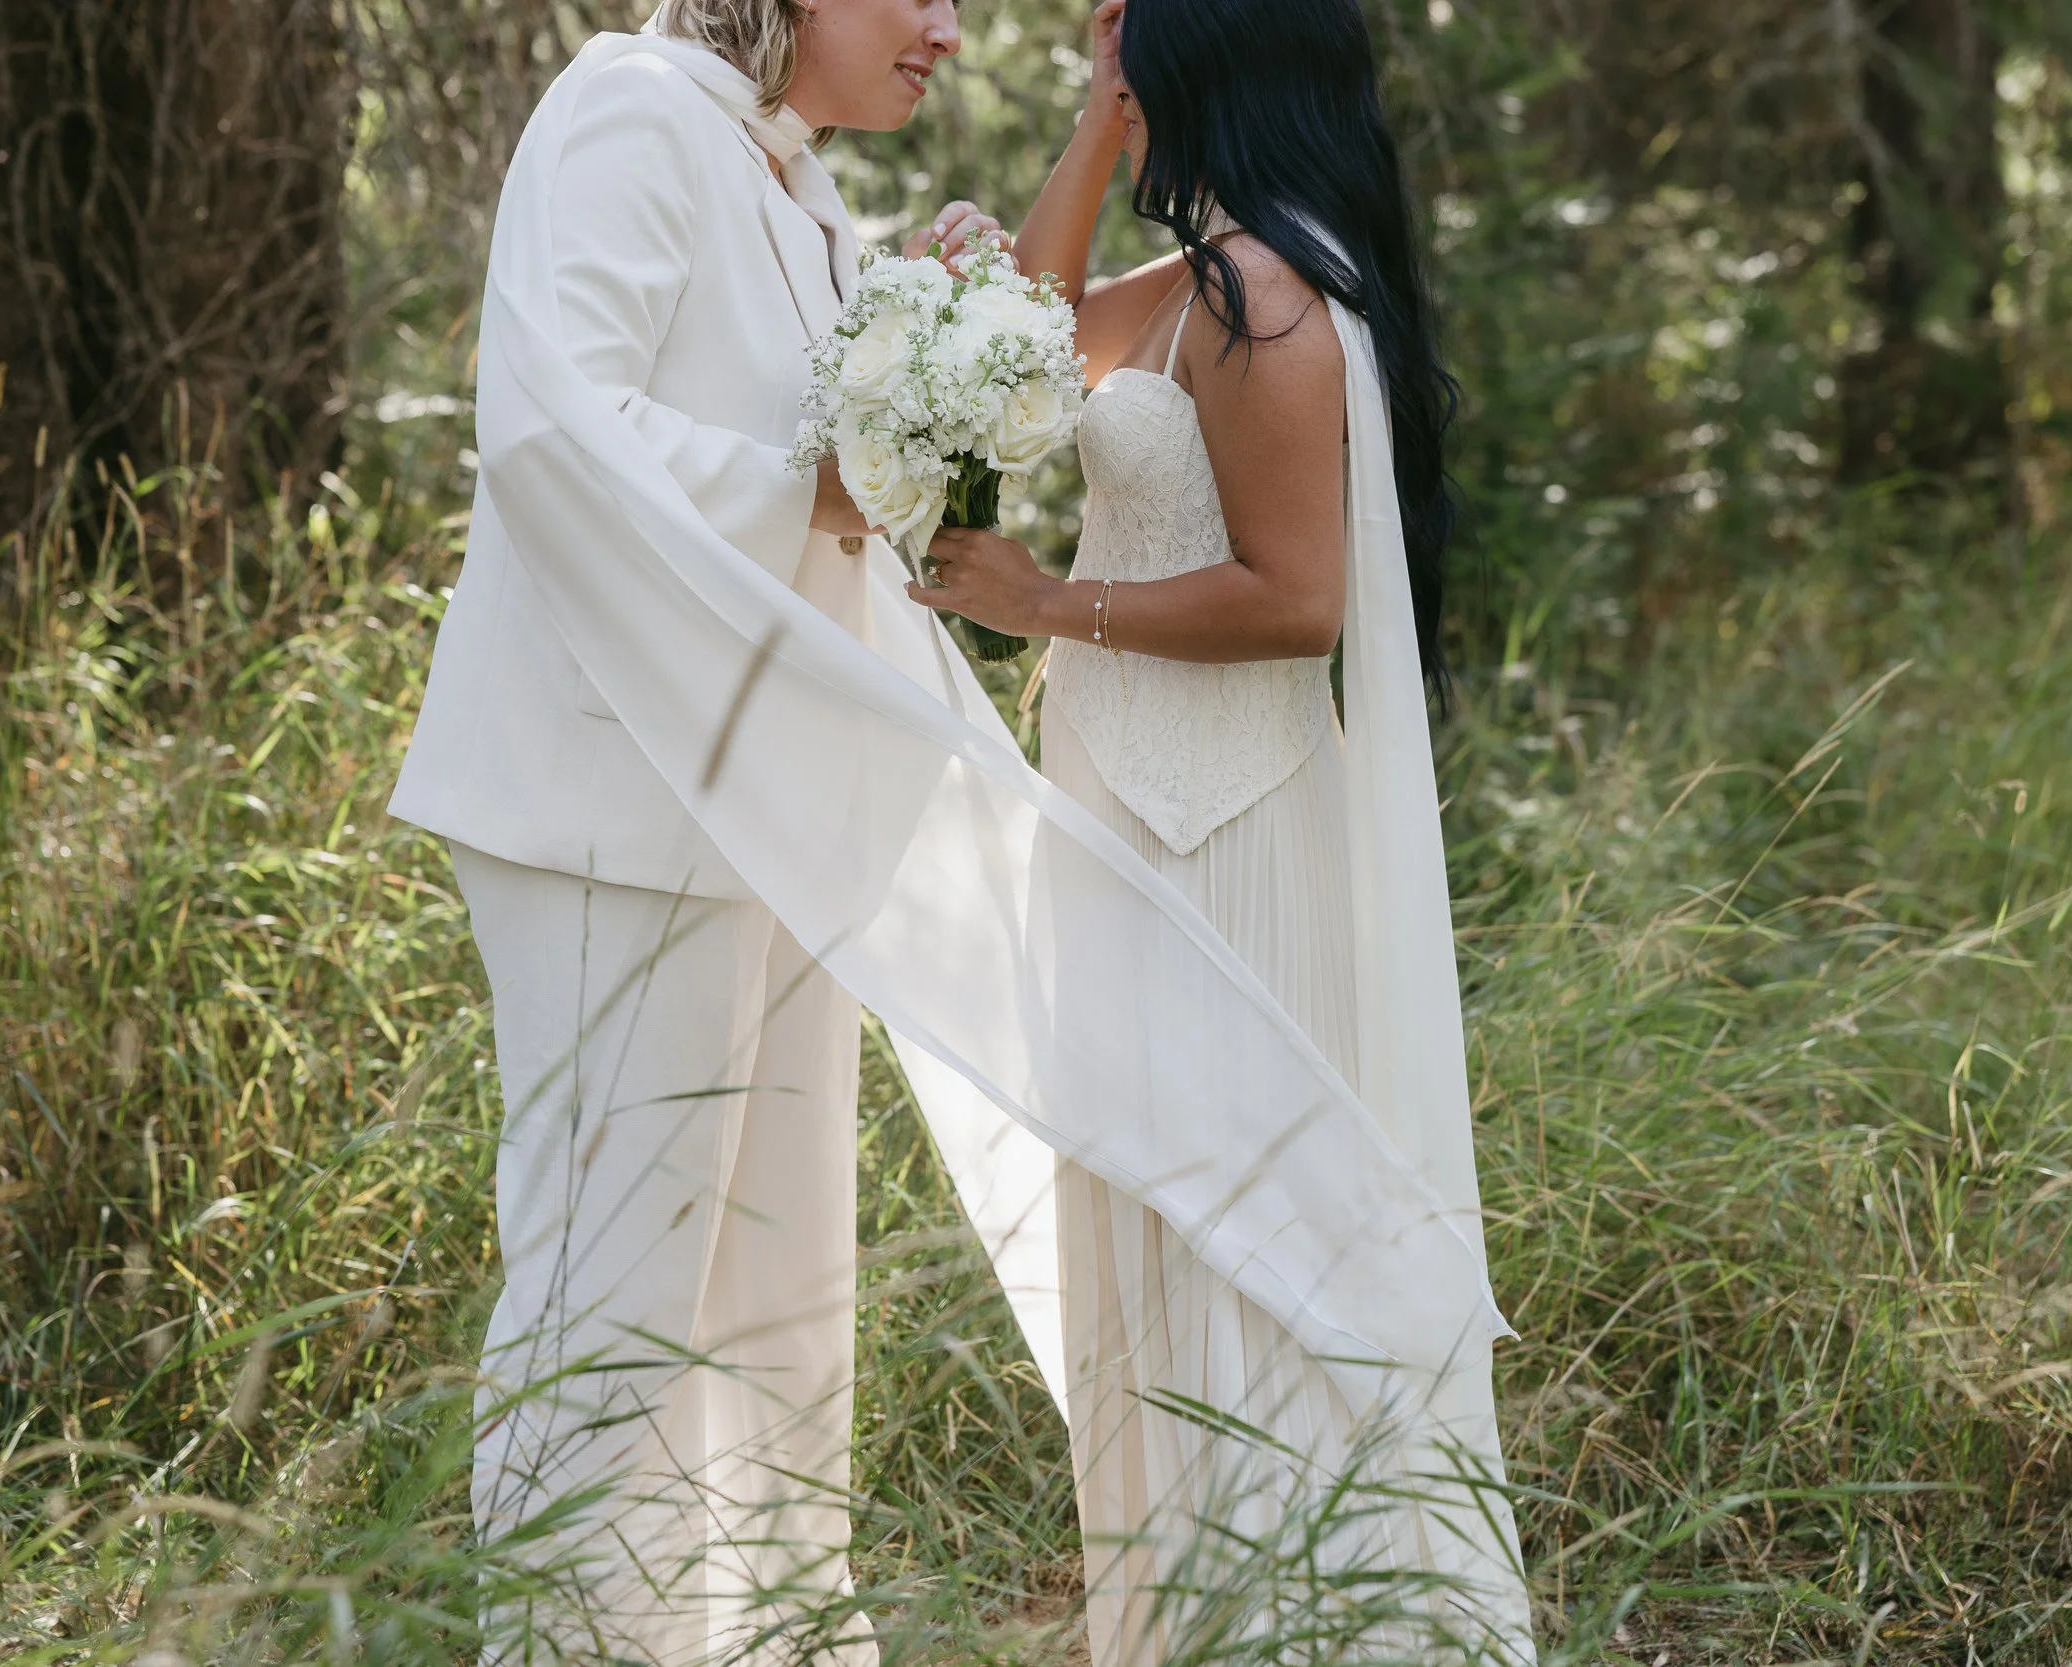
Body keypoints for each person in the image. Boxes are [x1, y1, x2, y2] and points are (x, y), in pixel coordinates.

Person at [908, 0, 1535, 1658]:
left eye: (1140, 45)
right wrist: (1094, 125)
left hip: (1226, 835)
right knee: (1153, 1226)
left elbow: (1294, 599)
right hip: (1122, 810)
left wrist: (1045, 599)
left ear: (1215, 60)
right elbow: (1022, 343)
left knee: (1235, 1237)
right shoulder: (1210, 276)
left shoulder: (1269, 300)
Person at [385, 3, 1001, 1660]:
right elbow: (547, 428)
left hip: (765, 811)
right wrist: (809, 482)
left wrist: (929, 338)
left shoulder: (797, 184)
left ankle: (770, 1638)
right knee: (613, 1304)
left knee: (784, 1303)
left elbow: (819, 458)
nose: (952, 25)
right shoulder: (630, 112)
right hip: (612, 805)